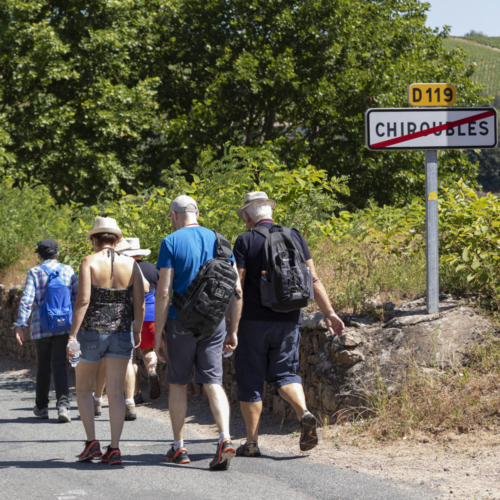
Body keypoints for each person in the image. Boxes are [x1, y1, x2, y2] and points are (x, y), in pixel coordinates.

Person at [233, 191, 345, 457]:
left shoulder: (245, 240)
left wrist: (231, 325)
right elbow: (313, 279)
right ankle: (303, 412)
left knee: (250, 381)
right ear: (270, 212)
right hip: (289, 318)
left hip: (253, 322)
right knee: (285, 374)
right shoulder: (294, 236)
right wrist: (329, 313)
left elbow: (236, 286)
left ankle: (251, 442)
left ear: (248, 216)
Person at [154, 195, 243, 470]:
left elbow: (164, 291)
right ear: (197, 213)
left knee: (178, 383)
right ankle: (225, 439)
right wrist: (233, 330)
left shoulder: (170, 241)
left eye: (171, 216)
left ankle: (179, 448)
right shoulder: (221, 240)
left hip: (180, 322)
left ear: (174, 215)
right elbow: (237, 291)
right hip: (214, 323)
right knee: (213, 381)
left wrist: (157, 335)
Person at [67, 217, 145, 465]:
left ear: (94, 239)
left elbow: (83, 301)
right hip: (121, 333)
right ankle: (115, 448)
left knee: (83, 389)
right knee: (116, 393)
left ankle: (92, 443)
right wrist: (138, 331)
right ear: (117, 239)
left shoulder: (89, 261)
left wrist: (71, 336)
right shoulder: (132, 264)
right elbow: (140, 302)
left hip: (90, 332)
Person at [14, 240, 78, 423]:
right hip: (64, 325)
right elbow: (77, 298)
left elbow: (27, 299)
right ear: (57, 253)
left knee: (43, 366)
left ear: (40, 256)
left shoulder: (35, 272)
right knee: (60, 365)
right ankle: (63, 406)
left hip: (40, 325)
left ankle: (42, 407)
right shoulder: (68, 271)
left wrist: (20, 324)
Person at [121, 238, 162, 404]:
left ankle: (135, 393)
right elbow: (162, 293)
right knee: (148, 350)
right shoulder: (153, 268)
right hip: (150, 314)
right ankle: (152, 370)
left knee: (131, 358)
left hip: (129, 315)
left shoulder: (123, 268)